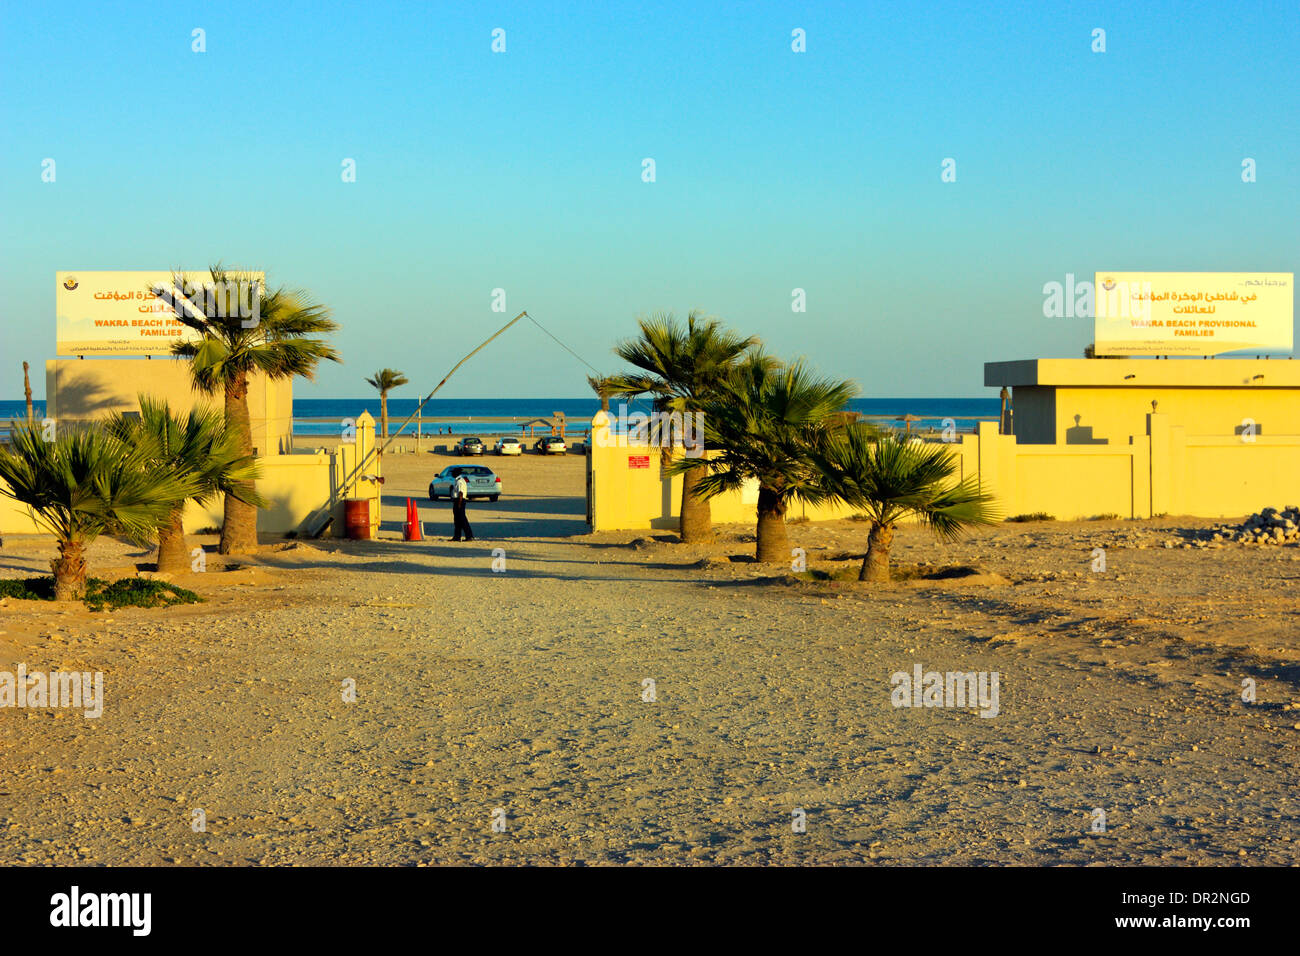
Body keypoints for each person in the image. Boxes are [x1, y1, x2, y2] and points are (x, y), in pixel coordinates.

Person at [449, 467, 474, 542]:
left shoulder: (460, 481)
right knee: (457, 520)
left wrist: (459, 504)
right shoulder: (457, 480)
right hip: (457, 501)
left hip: (460, 501)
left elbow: (461, 493)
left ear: (456, 473)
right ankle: (457, 536)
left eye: (453, 472)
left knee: (462, 519)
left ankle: (469, 536)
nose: (452, 474)